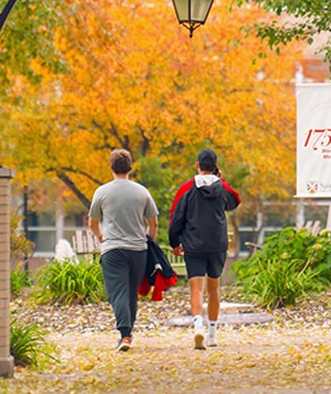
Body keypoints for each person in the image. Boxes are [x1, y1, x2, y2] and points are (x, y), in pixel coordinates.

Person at [168, 148, 241, 350]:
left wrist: (175, 241)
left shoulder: (187, 189)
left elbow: (176, 216)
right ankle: (213, 333)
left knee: (196, 289)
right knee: (214, 289)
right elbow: (235, 200)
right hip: (217, 244)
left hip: (193, 244)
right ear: (215, 167)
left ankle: (198, 326)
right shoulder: (222, 189)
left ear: (197, 165)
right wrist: (221, 179)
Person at [89, 148, 159, 352]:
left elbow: (93, 222)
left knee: (118, 292)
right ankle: (127, 333)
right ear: (130, 167)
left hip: (113, 249)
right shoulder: (141, 191)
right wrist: (148, 242)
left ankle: (125, 334)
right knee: (130, 293)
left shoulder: (102, 192)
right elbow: (153, 223)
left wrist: (102, 238)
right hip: (138, 250)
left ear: (111, 167)